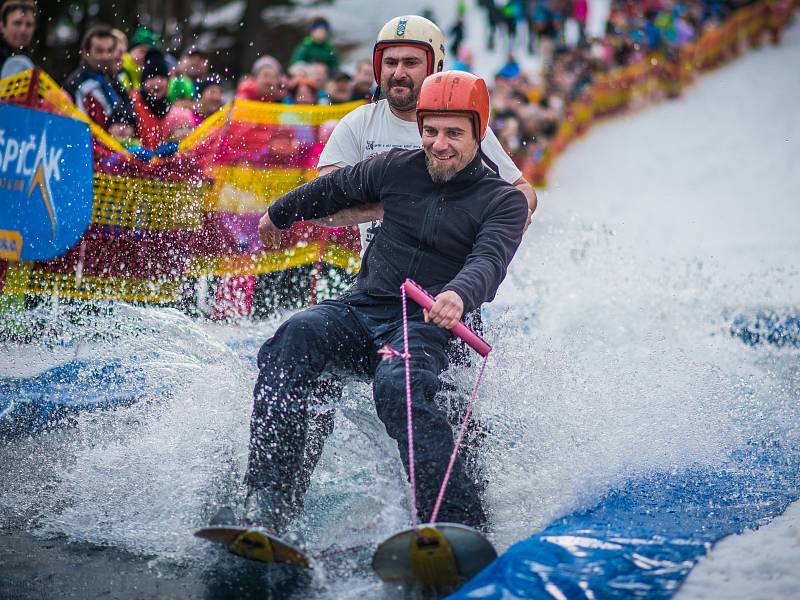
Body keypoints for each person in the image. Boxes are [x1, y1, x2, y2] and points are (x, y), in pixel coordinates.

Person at [247, 71, 528, 533]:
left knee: (398, 385)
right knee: (293, 336)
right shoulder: (398, 166)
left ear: (480, 134)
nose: (439, 144)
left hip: (429, 324)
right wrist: (279, 214)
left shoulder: (502, 201)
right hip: (364, 310)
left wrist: (457, 294)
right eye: (430, 131)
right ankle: (269, 504)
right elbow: (333, 189)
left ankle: (454, 524)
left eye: (454, 133)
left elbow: (490, 260)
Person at [316, 15, 537, 254]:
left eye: (410, 63)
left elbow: (522, 190)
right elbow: (320, 202)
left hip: (453, 278)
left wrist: (515, 214)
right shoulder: (358, 123)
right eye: (390, 63)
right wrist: (385, 208)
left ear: (435, 68)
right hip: (378, 279)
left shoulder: (461, 122)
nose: (398, 73)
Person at [64, 24, 132, 130]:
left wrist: (129, 127)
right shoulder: (75, 84)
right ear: (86, 52)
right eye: (99, 51)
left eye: (109, 51)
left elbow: (129, 109)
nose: (105, 56)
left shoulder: (112, 79)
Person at [131, 48, 170, 149]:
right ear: (143, 82)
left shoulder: (170, 107)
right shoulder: (133, 103)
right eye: (152, 77)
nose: (157, 83)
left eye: (162, 77)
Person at [0, 0, 35, 73]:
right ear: (2, 26)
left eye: (28, 24)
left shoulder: (32, 63)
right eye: (17, 23)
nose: (23, 30)